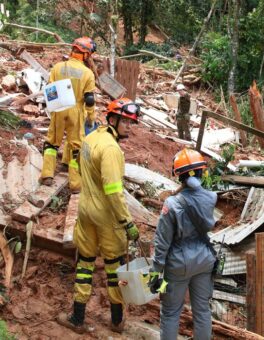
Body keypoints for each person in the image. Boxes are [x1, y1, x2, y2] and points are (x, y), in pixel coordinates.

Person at [56, 98, 141, 334]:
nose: (129, 127)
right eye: (125, 122)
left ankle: (77, 317)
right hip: (106, 217)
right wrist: (128, 222)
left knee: (85, 263)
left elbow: (77, 165)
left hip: (85, 211)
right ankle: (116, 320)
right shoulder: (112, 150)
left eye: (131, 123)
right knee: (114, 267)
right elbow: (114, 192)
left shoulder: (91, 138)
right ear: (113, 119)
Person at [149, 148, 217, 340]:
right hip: (204, 259)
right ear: (202, 171)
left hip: (179, 263)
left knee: (170, 312)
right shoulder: (210, 198)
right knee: (202, 311)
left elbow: (162, 243)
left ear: (179, 176)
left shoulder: (172, 204)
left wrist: (155, 272)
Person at [40, 36, 97, 192]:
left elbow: (49, 89)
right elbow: (89, 99)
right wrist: (91, 116)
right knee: (76, 146)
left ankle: (47, 175)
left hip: (59, 108)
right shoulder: (87, 73)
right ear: (85, 54)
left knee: (52, 143)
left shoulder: (58, 67)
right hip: (76, 110)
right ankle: (76, 184)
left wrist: (52, 108)